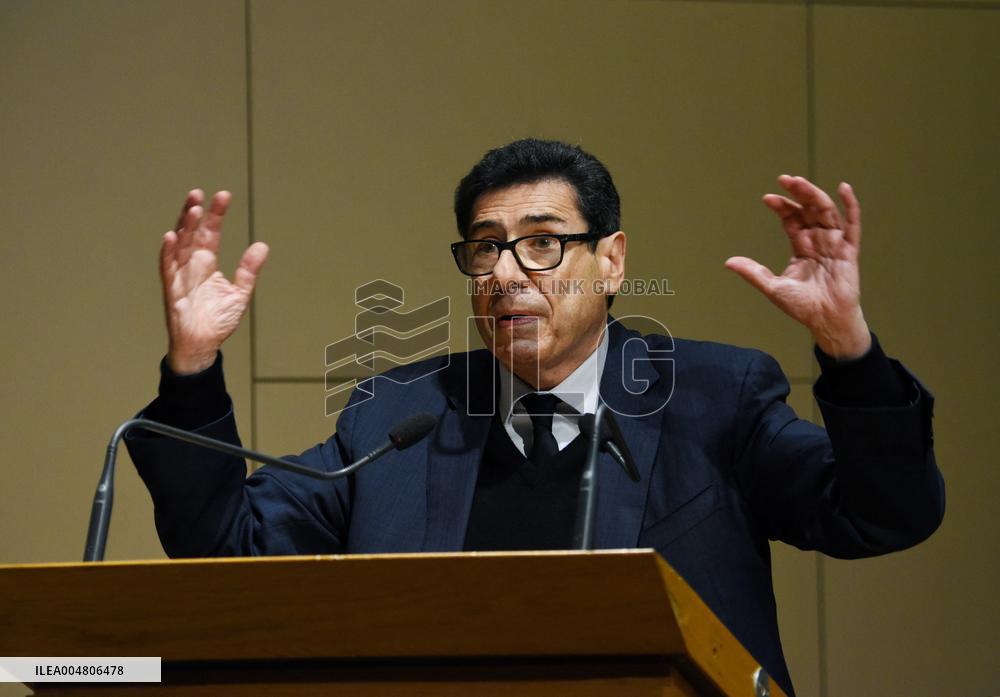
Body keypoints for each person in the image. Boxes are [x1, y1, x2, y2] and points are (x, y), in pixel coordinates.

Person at [127, 139, 944, 695]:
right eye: (485, 247)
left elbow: (882, 513)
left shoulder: (711, 395)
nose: (507, 272)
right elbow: (226, 546)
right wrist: (193, 366)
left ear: (612, 260)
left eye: (543, 242)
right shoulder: (400, 416)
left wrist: (847, 345)